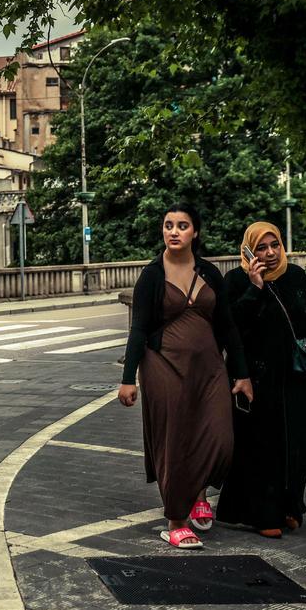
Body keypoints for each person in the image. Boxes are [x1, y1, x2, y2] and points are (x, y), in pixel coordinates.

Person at [118, 203, 254, 549]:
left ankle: (198, 491)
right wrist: (128, 377)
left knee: (220, 439)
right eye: (168, 225)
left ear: (195, 232)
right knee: (175, 441)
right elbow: (138, 330)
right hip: (163, 367)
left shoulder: (210, 273)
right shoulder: (152, 275)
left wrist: (241, 373)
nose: (173, 231)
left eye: (182, 225)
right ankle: (176, 520)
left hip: (209, 369)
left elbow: (227, 326)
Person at [217, 222, 306, 537]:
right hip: (258, 378)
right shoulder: (236, 280)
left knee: (299, 446)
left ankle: (291, 506)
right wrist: (255, 287)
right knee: (263, 447)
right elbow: (231, 328)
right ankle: (264, 515)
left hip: (299, 377)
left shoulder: (296, 276)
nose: (270, 253)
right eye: (261, 247)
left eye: (274, 245)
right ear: (249, 250)